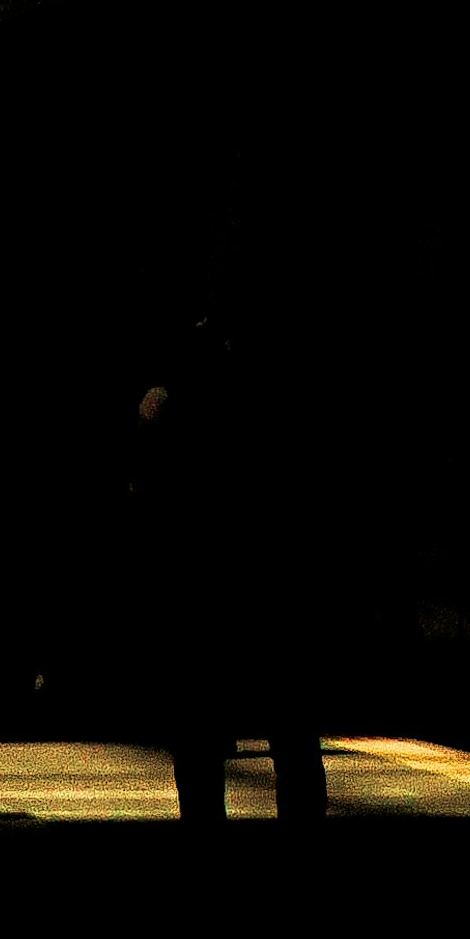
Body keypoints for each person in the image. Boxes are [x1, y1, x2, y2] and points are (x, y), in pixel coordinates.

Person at [135, 307, 330, 832]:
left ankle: (205, 830)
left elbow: (151, 481)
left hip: (201, 576)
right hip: (269, 573)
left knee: (199, 726)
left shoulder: (176, 402)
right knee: (289, 722)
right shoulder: (277, 398)